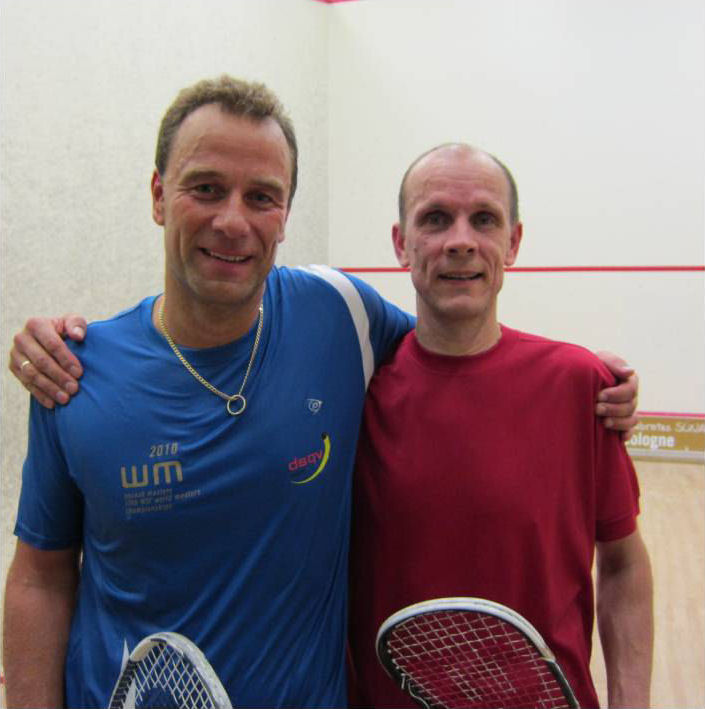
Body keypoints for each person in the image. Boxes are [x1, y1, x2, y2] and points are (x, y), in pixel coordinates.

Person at [3, 76, 639, 707]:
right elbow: (40, 580)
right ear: (158, 195)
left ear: (284, 216)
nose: (232, 221)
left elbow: (454, 345)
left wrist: (585, 378)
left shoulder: (338, 314)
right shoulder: (73, 373)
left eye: (261, 196)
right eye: (206, 188)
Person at [346, 144, 653, 708]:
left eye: (484, 219)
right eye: (436, 218)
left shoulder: (580, 386)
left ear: (512, 243)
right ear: (401, 243)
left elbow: (624, 563)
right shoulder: (354, 395)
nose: (460, 240)